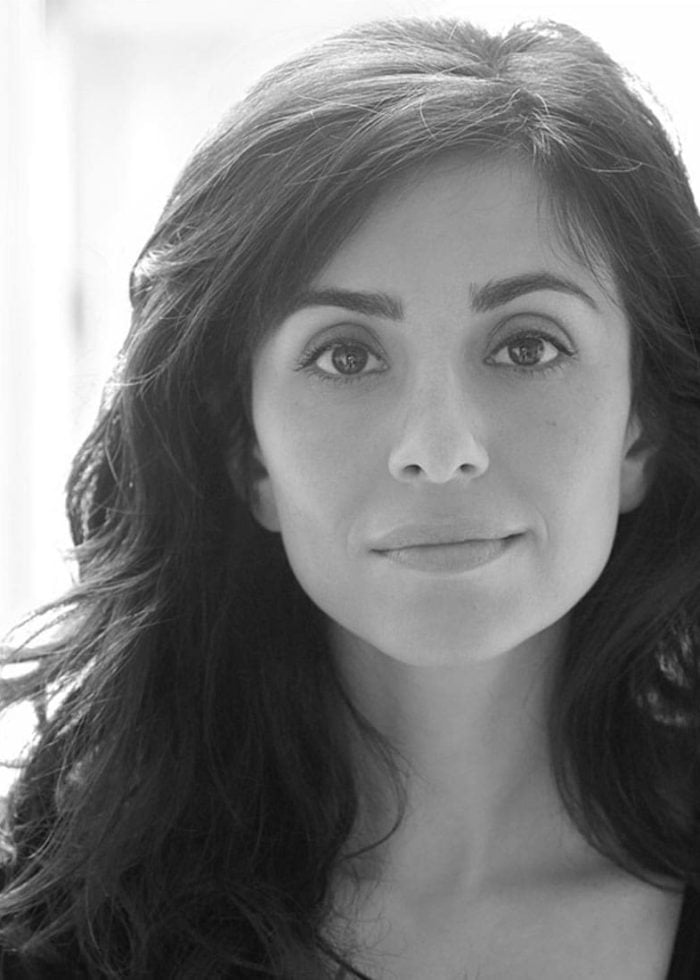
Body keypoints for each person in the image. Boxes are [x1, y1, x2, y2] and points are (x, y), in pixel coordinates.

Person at [1, 14, 699, 979]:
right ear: (250, 458)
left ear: (643, 431)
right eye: (346, 355)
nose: (441, 448)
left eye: (527, 346)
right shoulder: (52, 932)